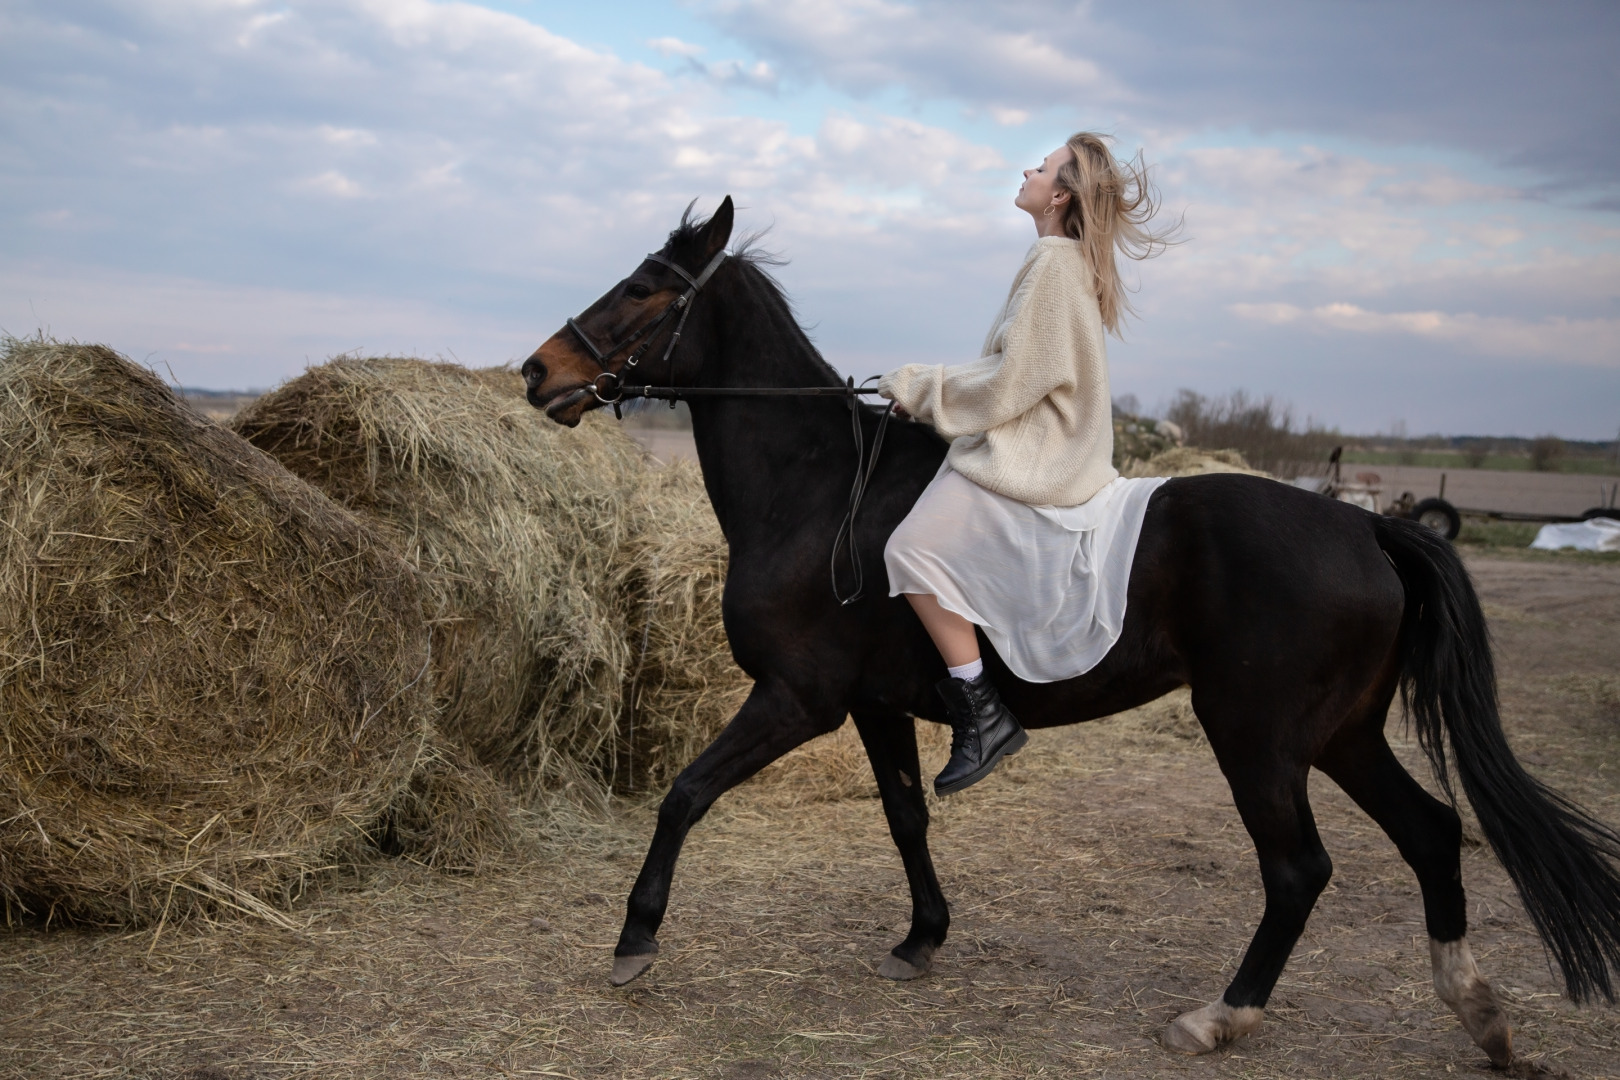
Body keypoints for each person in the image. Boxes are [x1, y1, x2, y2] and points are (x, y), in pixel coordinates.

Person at [878, 132, 1176, 796]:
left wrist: (920, 387)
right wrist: (924, 392)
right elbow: (1012, 370)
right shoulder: (1067, 263)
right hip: (1052, 446)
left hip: (1039, 458)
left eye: (1040, 168)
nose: (1027, 171)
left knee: (910, 551)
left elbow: (1014, 381)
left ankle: (983, 713)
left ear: (1061, 194)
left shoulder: (1052, 262)